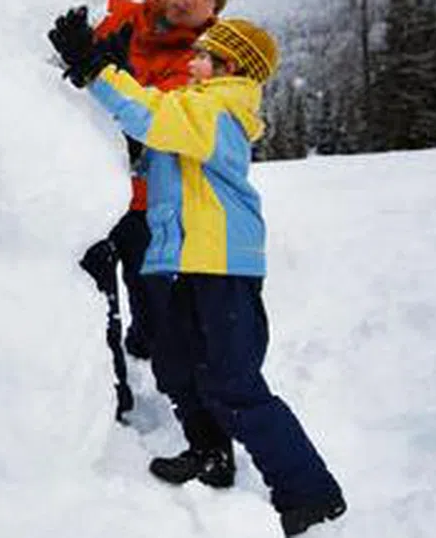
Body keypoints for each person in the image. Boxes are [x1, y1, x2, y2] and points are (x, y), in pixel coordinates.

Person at [50, 16, 347, 536]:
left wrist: (97, 70)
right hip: (190, 259)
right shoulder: (199, 110)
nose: (192, 62)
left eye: (204, 57)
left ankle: (311, 493)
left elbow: (153, 116)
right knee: (179, 365)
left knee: (235, 381)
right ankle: (210, 452)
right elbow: (157, 147)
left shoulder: (217, 106)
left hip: (222, 263)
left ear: (229, 67)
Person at [70, 0, 226, 423]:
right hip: (92, 194)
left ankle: (185, 400)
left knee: (160, 301)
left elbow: (163, 121)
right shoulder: (118, 15)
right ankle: (109, 396)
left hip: (153, 203)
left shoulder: (207, 59)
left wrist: (112, 80)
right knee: (94, 301)